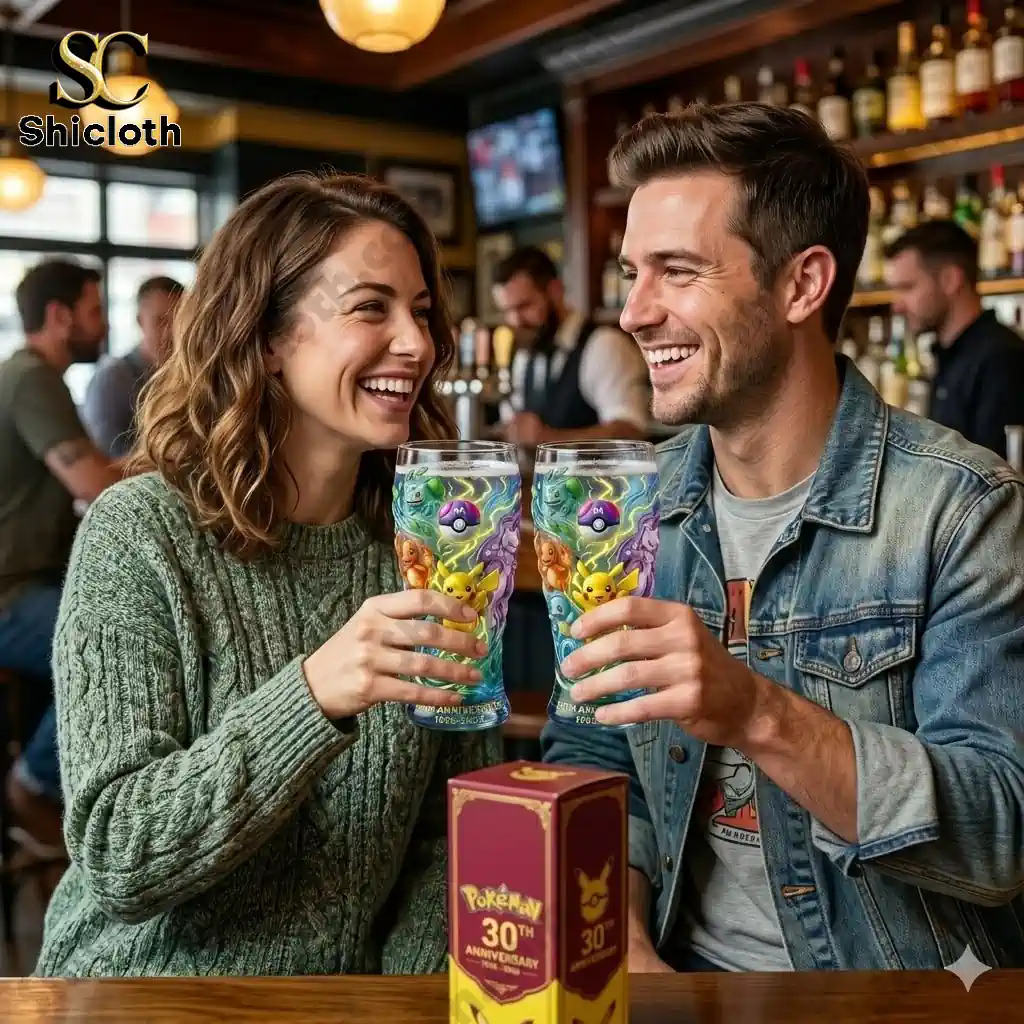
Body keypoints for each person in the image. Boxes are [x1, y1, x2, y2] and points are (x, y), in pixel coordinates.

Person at [542, 103, 1024, 973]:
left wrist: (755, 711)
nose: (634, 313)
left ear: (802, 285)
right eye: (631, 274)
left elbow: (1001, 835)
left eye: (677, 272)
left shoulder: (962, 509)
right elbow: (592, 751)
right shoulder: (630, 507)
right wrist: (622, 939)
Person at [34, 172, 501, 978]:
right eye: (371, 308)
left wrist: (395, 1004)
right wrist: (313, 695)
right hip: (138, 994)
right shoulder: (141, 532)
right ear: (270, 335)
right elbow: (118, 853)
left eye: (421, 313)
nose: (418, 344)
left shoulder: (434, 547)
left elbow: (452, 835)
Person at [0, 259, 120, 854]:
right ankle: (35, 784)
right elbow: (95, 483)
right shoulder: (31, 378)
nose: (104, 325)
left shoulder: (38, 380)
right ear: (59, 315)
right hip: (9, 596)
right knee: (106, 634)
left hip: (29, 585)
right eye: (96, 311)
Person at [884, 219, 1024, 459]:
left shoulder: (1002, 358)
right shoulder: (947, 355)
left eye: (907, 287)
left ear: (950, 280)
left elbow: (998, 477)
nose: (897, 305)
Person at [491, 246, 650, 446]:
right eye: (507, 311)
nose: (515, 321)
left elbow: (631, 432)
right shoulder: (525, 353)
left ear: (555, 291)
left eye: (524, 306)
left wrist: (548, 440)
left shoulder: (604, 345)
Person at [83, 275, 185, 457]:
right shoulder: (114, 379)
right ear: (140, 321)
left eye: (179, 320)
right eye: (160, 321)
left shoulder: (190, 376)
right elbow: (107, 460)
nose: (171, 332)